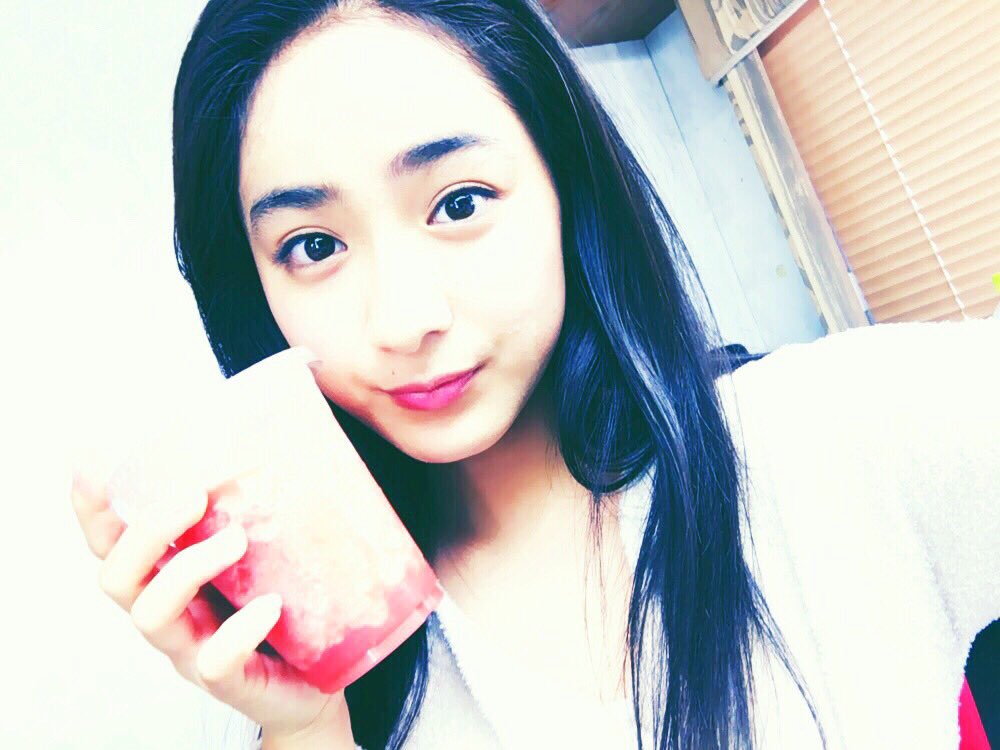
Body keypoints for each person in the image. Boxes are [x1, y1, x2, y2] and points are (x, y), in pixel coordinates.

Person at [69, 0, 1000, 748]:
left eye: (458, 203)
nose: (403, 320)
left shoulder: (836, 435)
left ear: (565, 184)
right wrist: (306, 727)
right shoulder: (357, 684)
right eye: (313, 246)